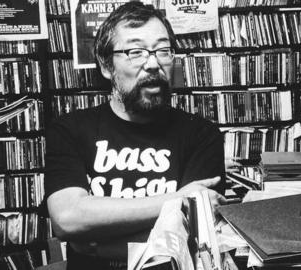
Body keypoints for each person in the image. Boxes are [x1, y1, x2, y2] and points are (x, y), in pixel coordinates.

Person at [44, 2, 226, 269]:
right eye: (136, 51)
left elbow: (195, 237)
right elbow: (68, 218)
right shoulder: (69, 129)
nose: (153, 63)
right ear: (106, 66)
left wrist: (96, 240)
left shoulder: (202, 134)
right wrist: (176, 201)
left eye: (163, 51)